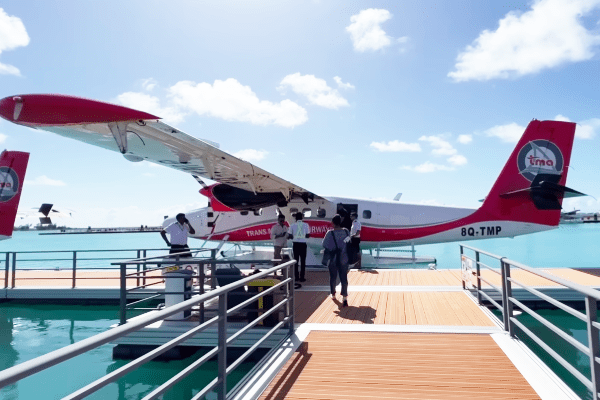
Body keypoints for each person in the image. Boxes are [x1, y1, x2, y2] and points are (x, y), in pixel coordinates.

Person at [322, 214, 350, 307]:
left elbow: (325, 244)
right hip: (344, 258)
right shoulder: (346, 231)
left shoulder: (330, 233)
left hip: (333, 259)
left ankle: (333, 294)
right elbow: (349, 243)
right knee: (344, 278)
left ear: (333, 223)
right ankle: (345, 297)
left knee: (333, 277)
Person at [288, 212, 310, 282]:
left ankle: (296, 277)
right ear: (302, 217)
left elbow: (290, 236)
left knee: (296, 261)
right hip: (303, 244)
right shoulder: (306, 225)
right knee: (303, 261)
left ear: (295, 218)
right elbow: (308, 235)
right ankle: (302, 278)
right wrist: (302, 236)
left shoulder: (292, 225)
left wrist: (295, 237)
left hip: (296, 245)